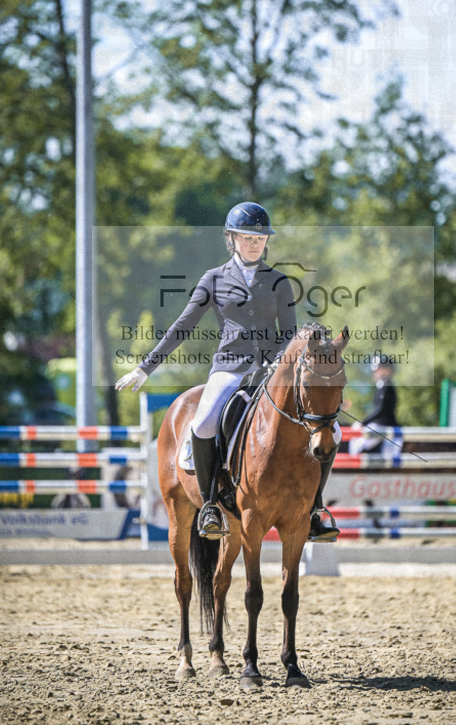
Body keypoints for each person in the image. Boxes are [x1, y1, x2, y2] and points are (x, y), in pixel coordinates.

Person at [115, 202, 339, 542]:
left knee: (331, 429)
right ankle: (209, 506)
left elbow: (290, 334)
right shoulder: (214, 279)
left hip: (271, 371)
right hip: (230, 368)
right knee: (203, 423)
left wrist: (276, 362)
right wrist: (146, 367)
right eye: (247, 237)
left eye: (260, 238)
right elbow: (183, 325)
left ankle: (315, 509)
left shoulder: (279, 282)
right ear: (231, 239)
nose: (255, 243)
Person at [349, 358, 402, 457]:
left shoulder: (386, 385)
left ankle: (356, 465)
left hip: (383, 424)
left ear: (387, 370)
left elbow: (381, 410)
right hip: (380, 423)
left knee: (358, 444)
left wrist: (364, 422)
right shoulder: (381, 385)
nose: (374, 372)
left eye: (378, 369)